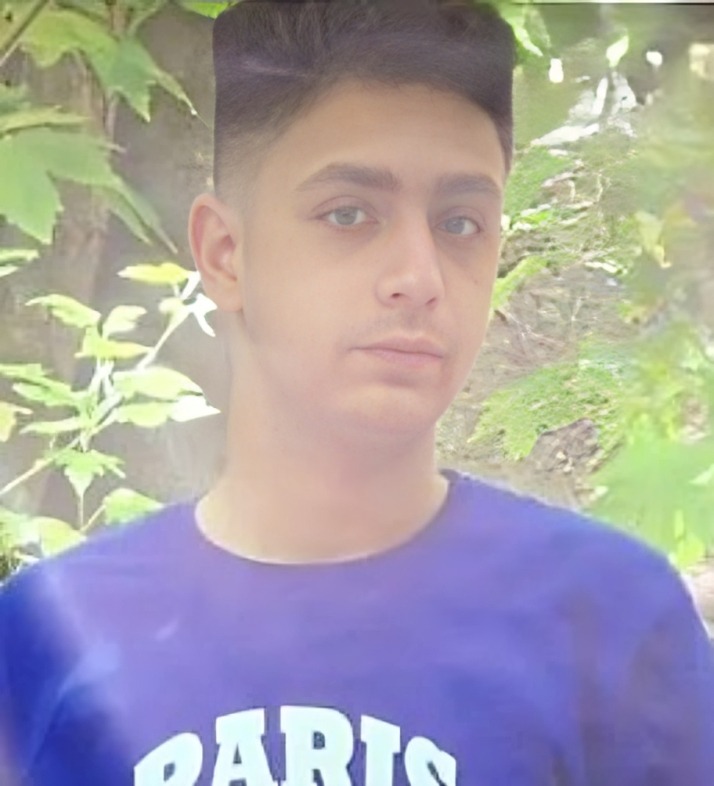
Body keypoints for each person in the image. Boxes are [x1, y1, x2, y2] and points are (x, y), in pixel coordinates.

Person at [1, 1, 713, 784]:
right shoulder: (45, 639)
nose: (419, 276)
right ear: (227, 254)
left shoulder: (611, 624)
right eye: (349, 215)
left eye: (460, 223)